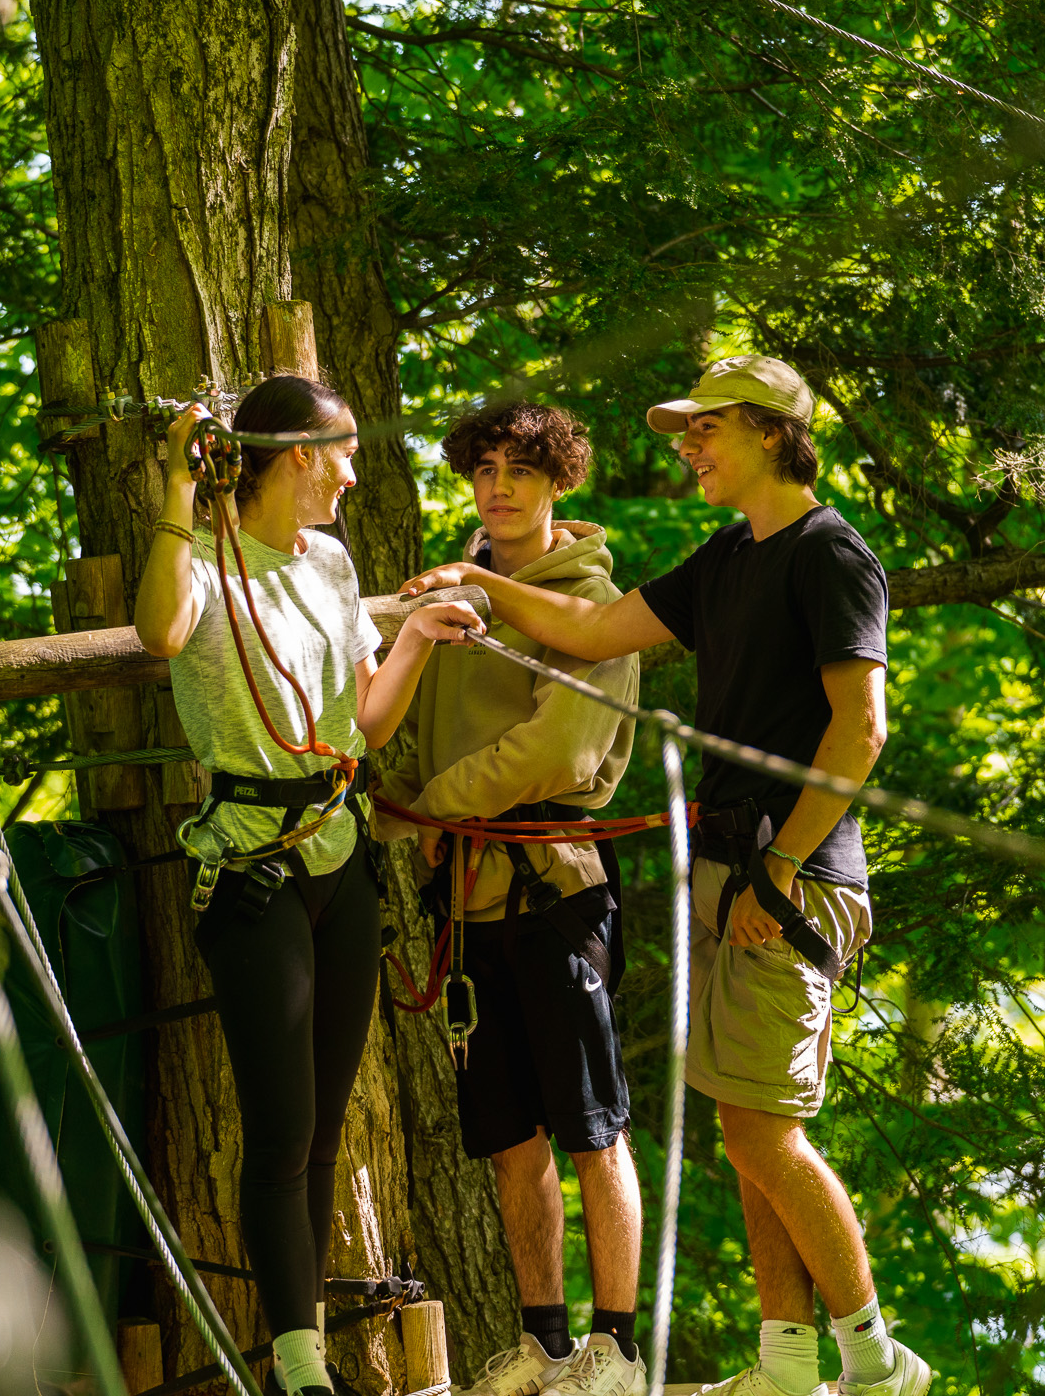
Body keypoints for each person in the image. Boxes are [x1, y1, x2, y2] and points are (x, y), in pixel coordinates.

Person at [400, 358, 931, 1396]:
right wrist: (476, 585)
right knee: (740, 1127)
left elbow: (858, 731)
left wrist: (777, 871)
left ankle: (874, 1360)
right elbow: (590, 630)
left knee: (765, 1132)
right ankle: (785, 1361)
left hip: (793, 875)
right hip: (736, 871)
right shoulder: (731, 556)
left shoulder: (830, 556)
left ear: (773, 434)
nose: (685, 449)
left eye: (707, 431)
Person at [135, 376, 481, 1396]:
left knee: (326, 1125)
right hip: (252, 869)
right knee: (281, 1128)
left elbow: (364, 722)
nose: (352, 474)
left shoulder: (329, 561)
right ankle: (295, 1367)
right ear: (294, 457)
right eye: (340, 455)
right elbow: (160, 634)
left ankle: (312, 1354)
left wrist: (414, 636)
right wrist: (174, 484)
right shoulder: (201, 565)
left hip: (339, 852)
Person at [377, 402, 646, 1396]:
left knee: (590, 1123)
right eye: (484, 467)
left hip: (552, 883)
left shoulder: (589, 606)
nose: (499, 485)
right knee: (507, 1135)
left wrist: (416, 814)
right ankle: (541, 1344)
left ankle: (612, 1351)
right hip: (469, 898)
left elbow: (555, 751)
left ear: (557, 482)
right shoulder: (454, 595)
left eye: (522, 469)